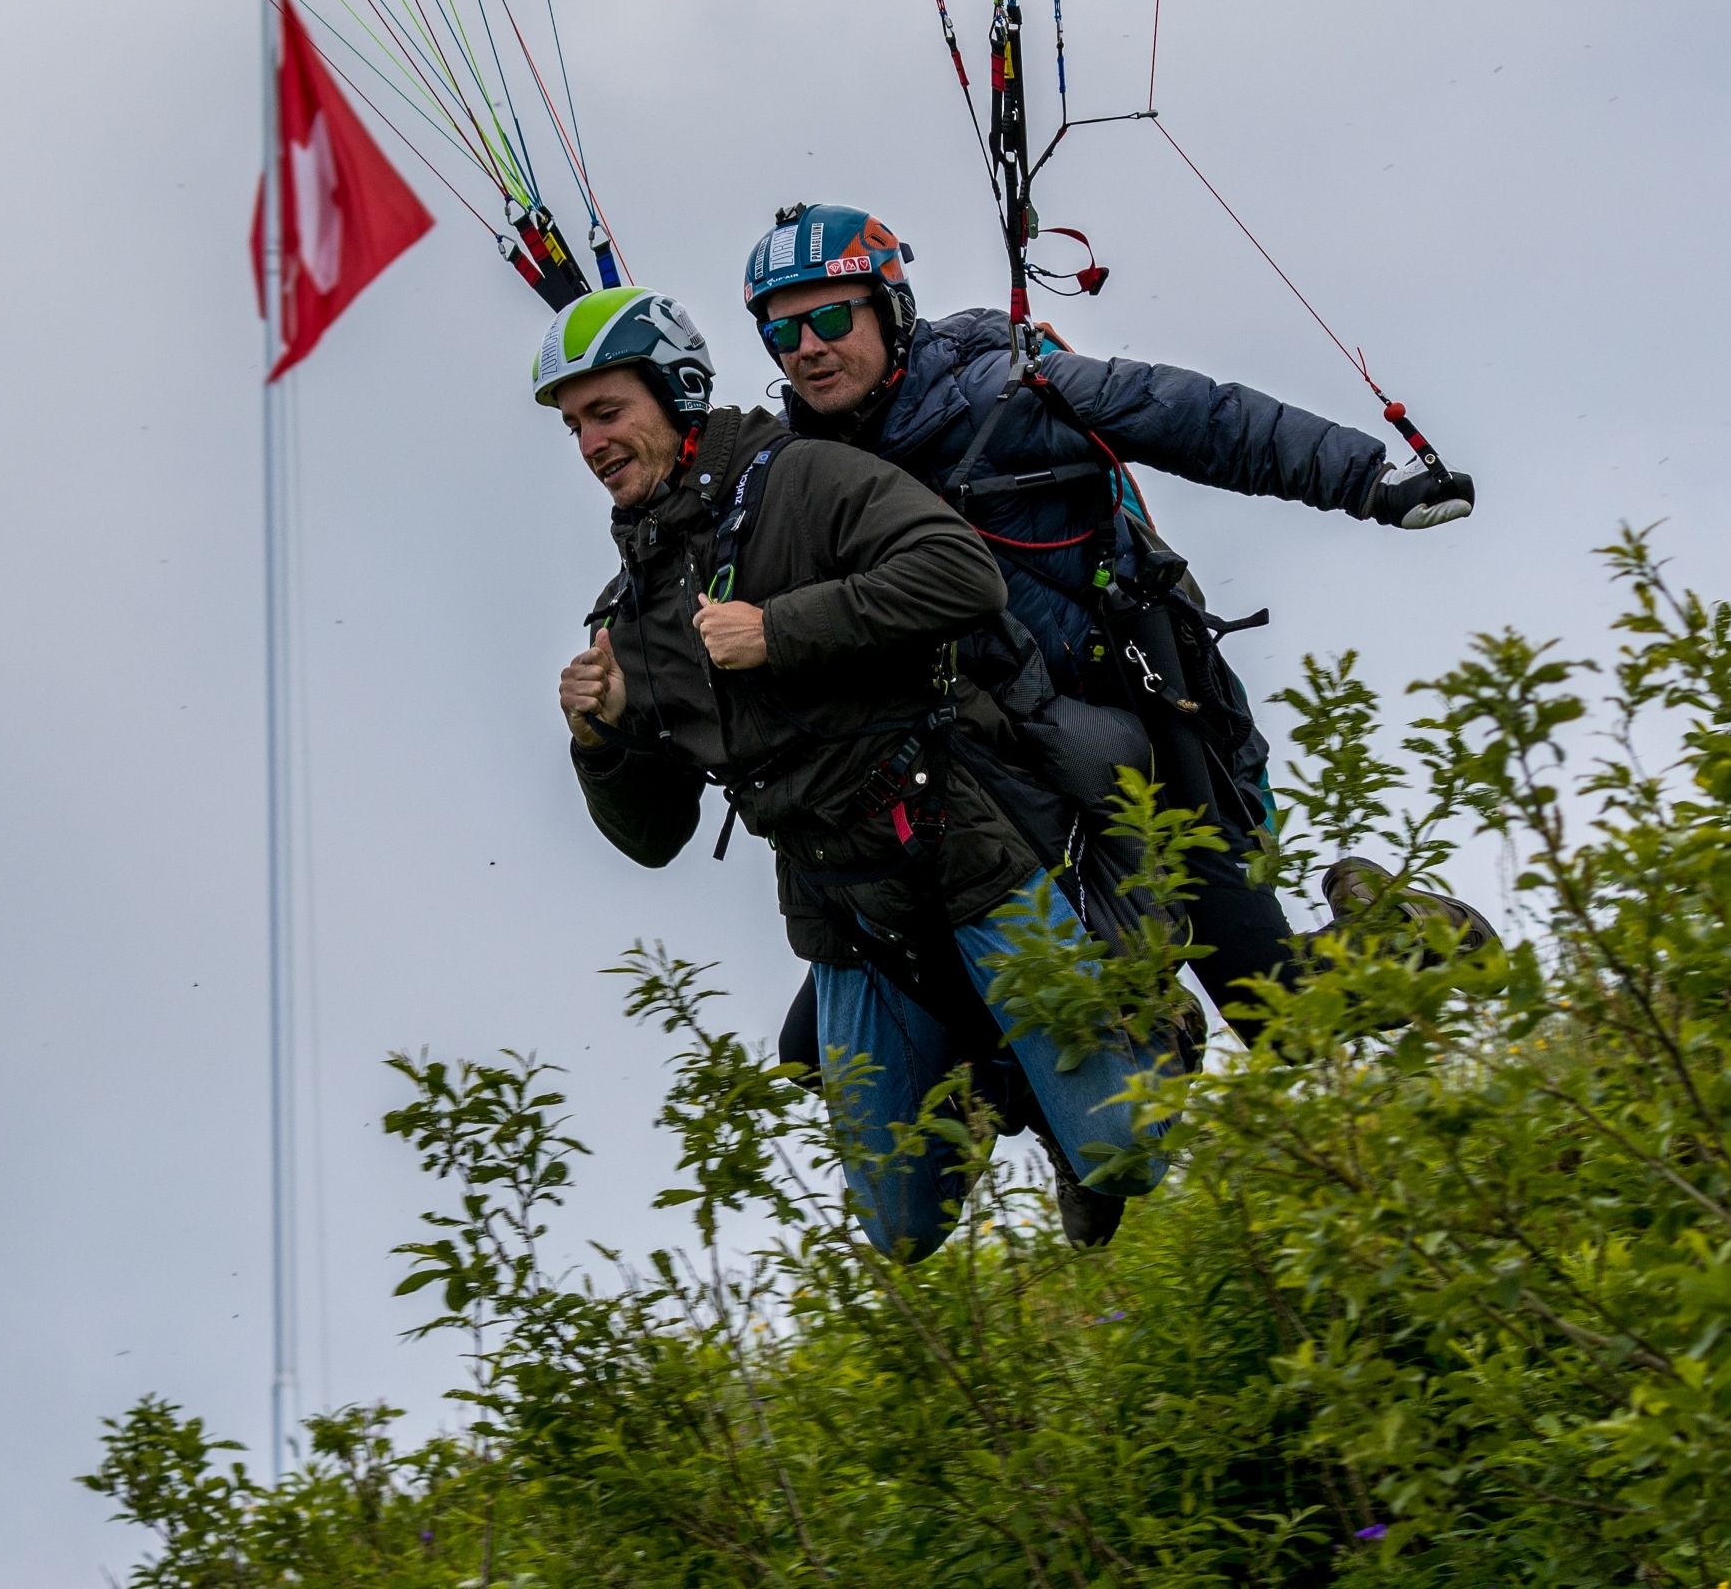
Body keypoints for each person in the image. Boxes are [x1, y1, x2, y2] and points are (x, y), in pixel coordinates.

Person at [737, 202, 1492, 1047]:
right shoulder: (795, 474)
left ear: (889, 307)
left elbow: (1194, 417)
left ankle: (1414, 934)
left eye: (830, 318)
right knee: (829, 1047)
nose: (806, 349)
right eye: (782, 335)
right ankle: (1139, 1046)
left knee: (1274, 1008)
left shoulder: (1005, 383)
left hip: (1133, 703)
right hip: (984, 763)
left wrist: (1369, 480)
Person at [536, 283, 1174, 1257]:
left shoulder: (802, 478)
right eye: (575, 425)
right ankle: (984, 1078)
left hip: (967, 857)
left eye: (607, 412)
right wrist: (605, 740)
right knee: (899, 1231)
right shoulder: (631, 612)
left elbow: (961, 574)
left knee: (1123, 1151)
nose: (589, 444)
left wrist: (780, 629)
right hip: (845, 915)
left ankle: (1151, 1033)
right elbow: (655, 836)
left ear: (675, 393)